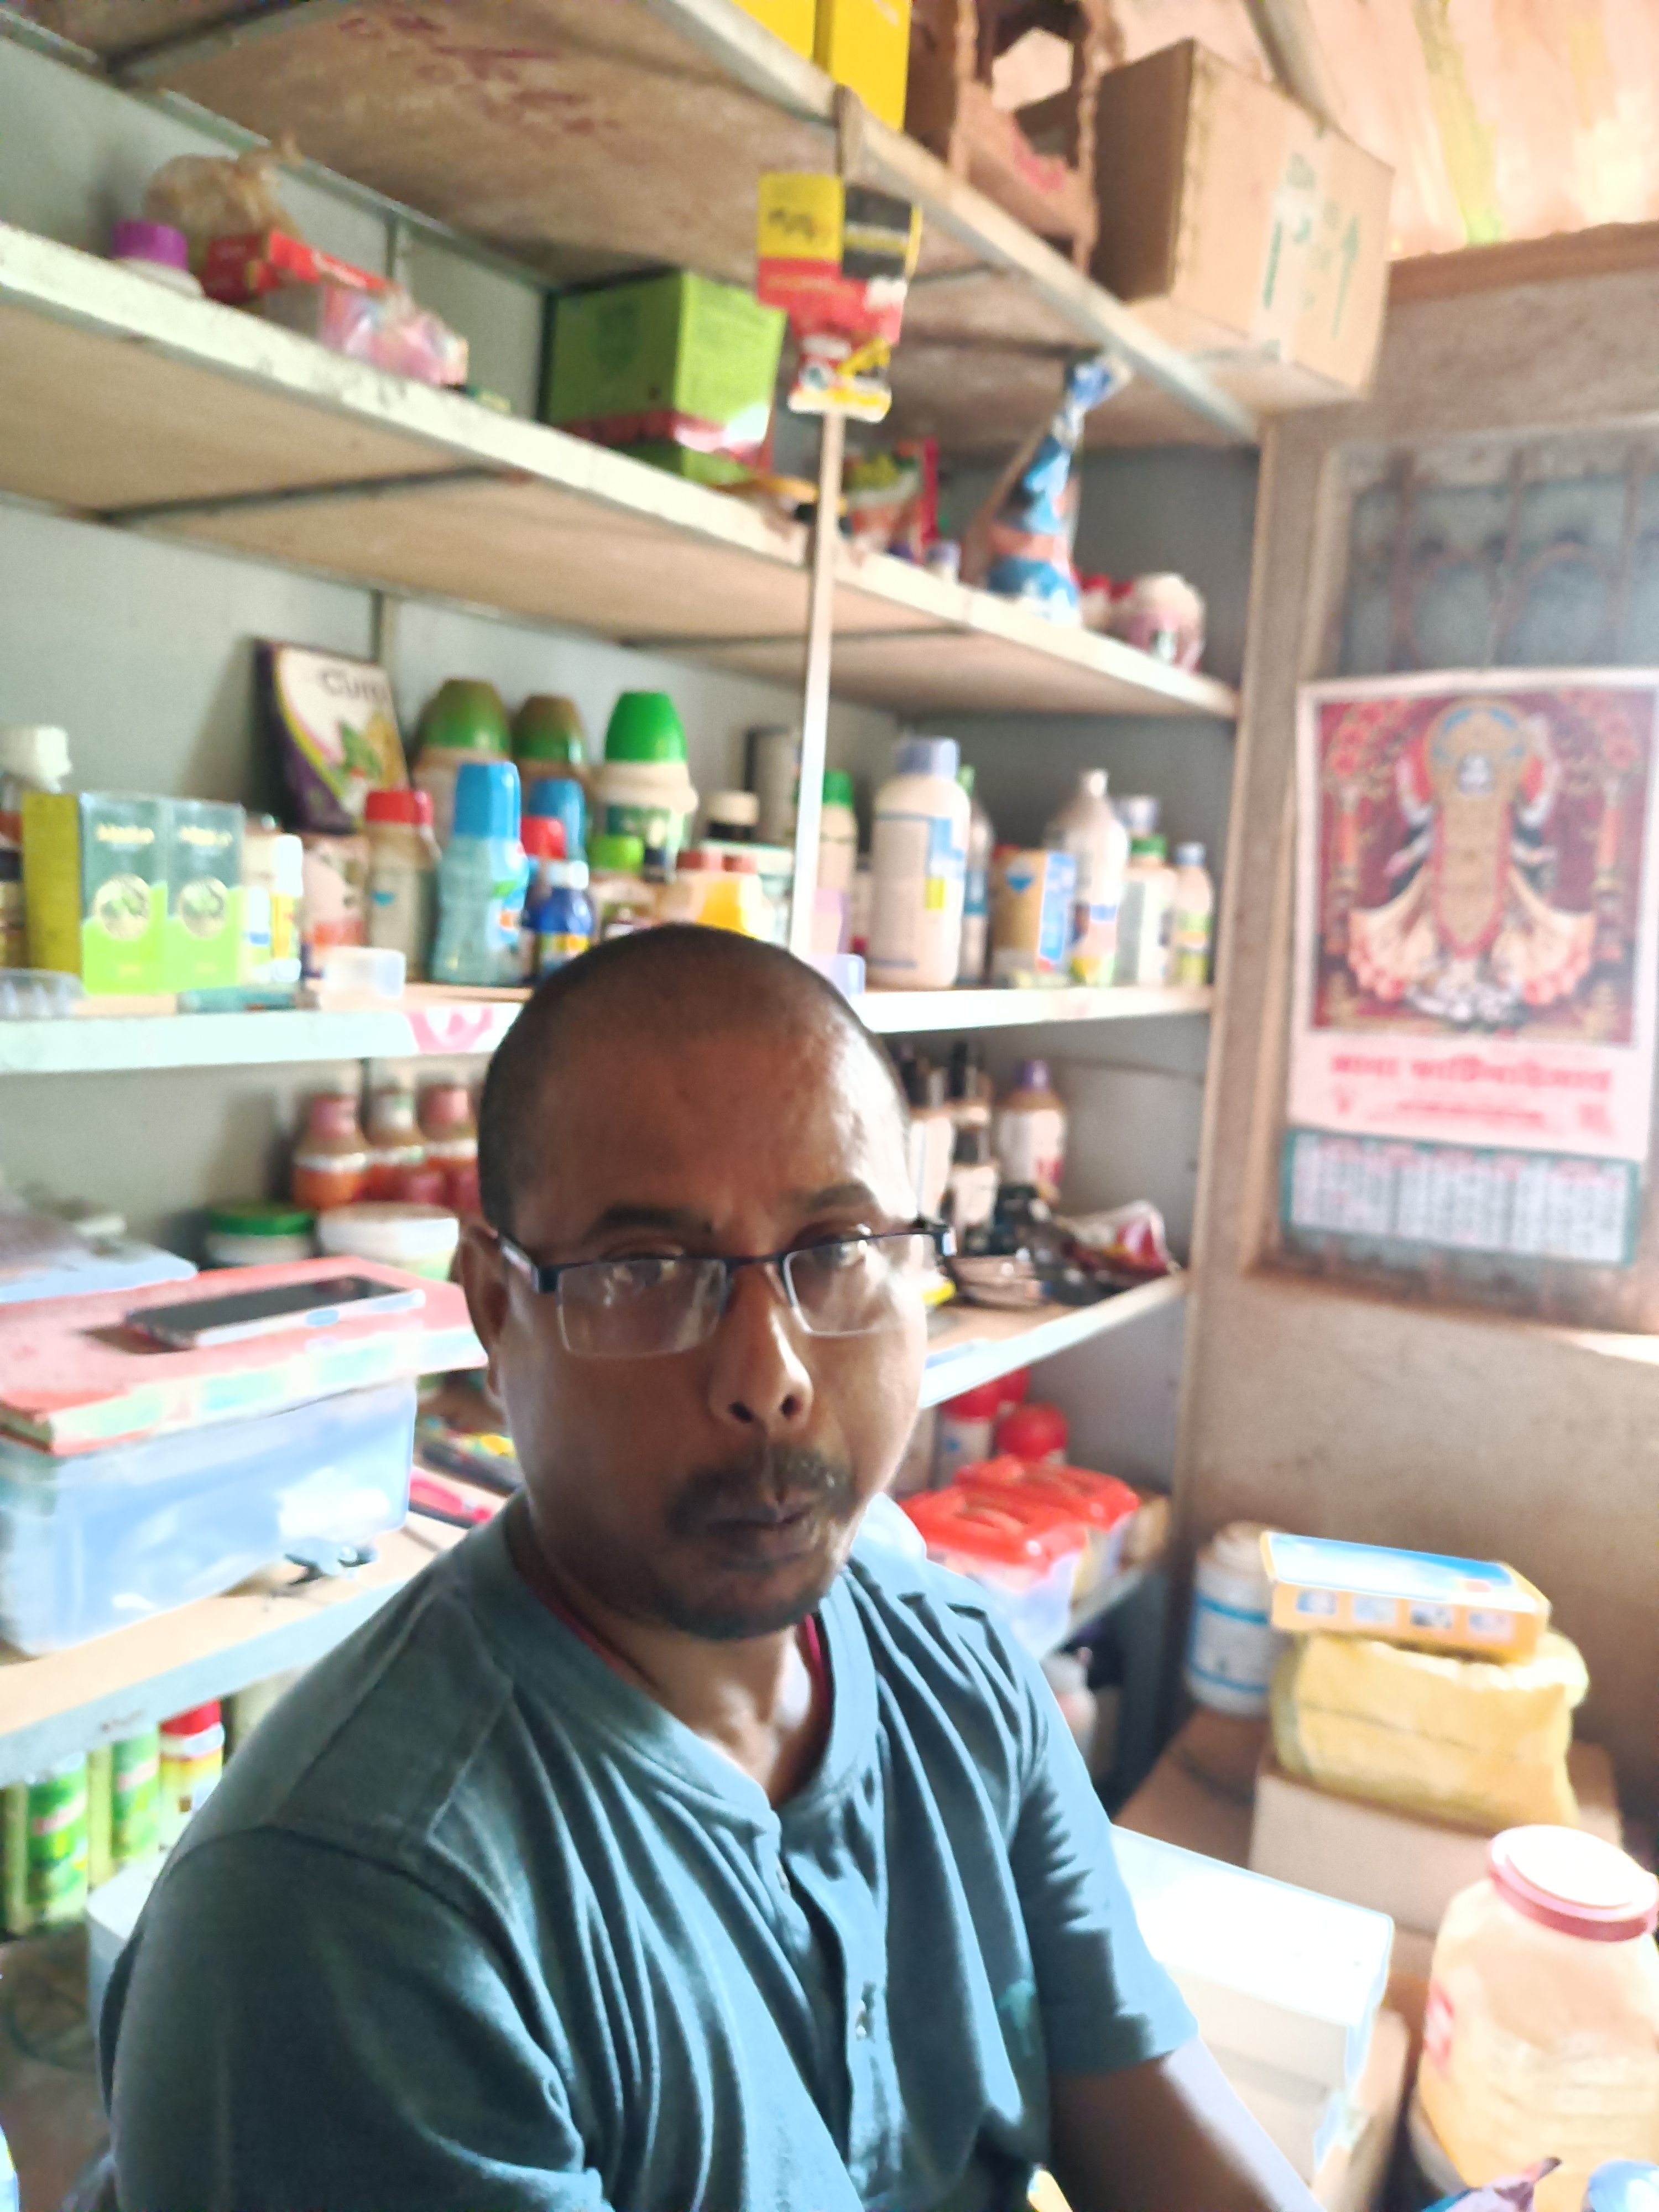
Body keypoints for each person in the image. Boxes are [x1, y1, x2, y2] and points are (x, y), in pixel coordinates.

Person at [103, 927, 1317, 2212]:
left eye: (836, 1247)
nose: (768, 1374)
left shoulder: (959, 1674)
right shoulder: (352, 1910)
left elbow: (1167, 2130)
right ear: (497, 1310)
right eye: (647, 1270)